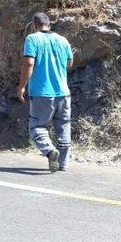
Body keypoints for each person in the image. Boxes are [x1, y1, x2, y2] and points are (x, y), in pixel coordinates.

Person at [16, 12, 74, 173]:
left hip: (42, 92)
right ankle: (63, 164)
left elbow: (28, 63)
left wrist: (21, 86)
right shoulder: (63, 40)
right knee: (63, 125)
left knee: (37, 126)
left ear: (34, 25)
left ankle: (49, 150)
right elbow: (69, 63)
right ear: (49, 24)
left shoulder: (32, 39)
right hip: (63, 92)